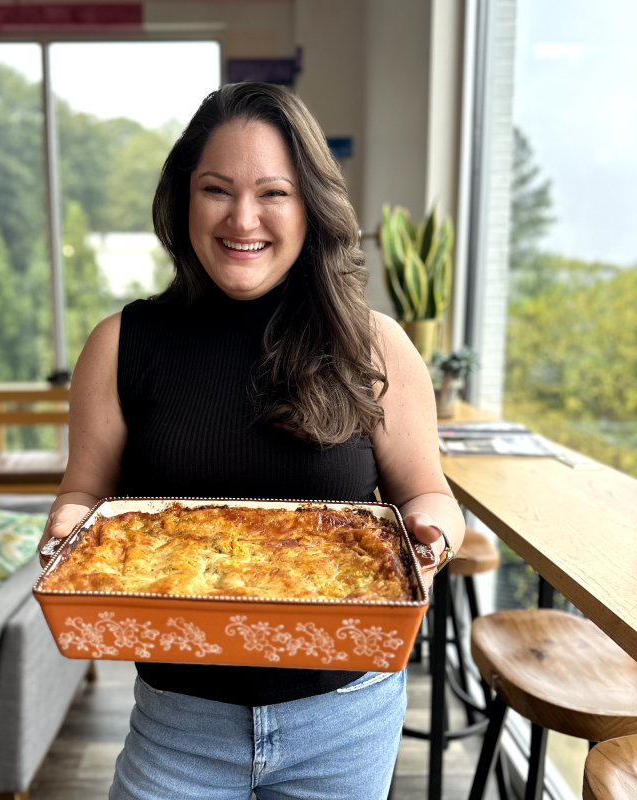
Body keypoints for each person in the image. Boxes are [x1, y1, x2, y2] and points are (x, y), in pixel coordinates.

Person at [37, 82, 465, 800]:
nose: (243, 218)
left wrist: (431, 536)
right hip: (178, 723)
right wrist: (67, 525)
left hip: (345, 721)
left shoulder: (376, 347)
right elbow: (86, 495)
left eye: (273, 192)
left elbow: (430, 495)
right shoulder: (118, 345)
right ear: (184, 199)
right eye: (216, 190)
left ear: (310, 207)